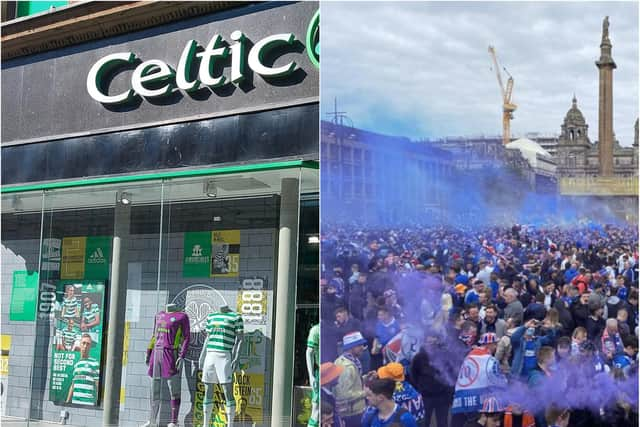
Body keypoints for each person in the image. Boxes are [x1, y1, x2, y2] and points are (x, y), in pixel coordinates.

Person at [452, 333, 506, 427]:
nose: (496, 346)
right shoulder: (489, 359)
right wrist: (505, 381)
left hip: (463, 399)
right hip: (479, 400)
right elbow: (496, 379)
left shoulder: (470, 355)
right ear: (489, 344)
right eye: (495, 343)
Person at [334, 331, 368, 427]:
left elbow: (353, 383)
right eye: (359, 345)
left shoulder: (351, 361)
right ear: (351, 347)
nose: (363, 348)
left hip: (354, 411)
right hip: (351, 414)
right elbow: (344, 394)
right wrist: (365, 393)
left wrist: (365, 378)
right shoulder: (347, 367)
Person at [66, 334, 99, 405]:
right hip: (75, 404)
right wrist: (67, 402)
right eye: (83, 343)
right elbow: (73, 385)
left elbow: (97, 385)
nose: (85, 346)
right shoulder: (77, 364)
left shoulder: (94, 363)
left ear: (90, 347)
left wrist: (97, 405)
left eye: (88, 344)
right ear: (80, 345)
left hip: (88, 404)